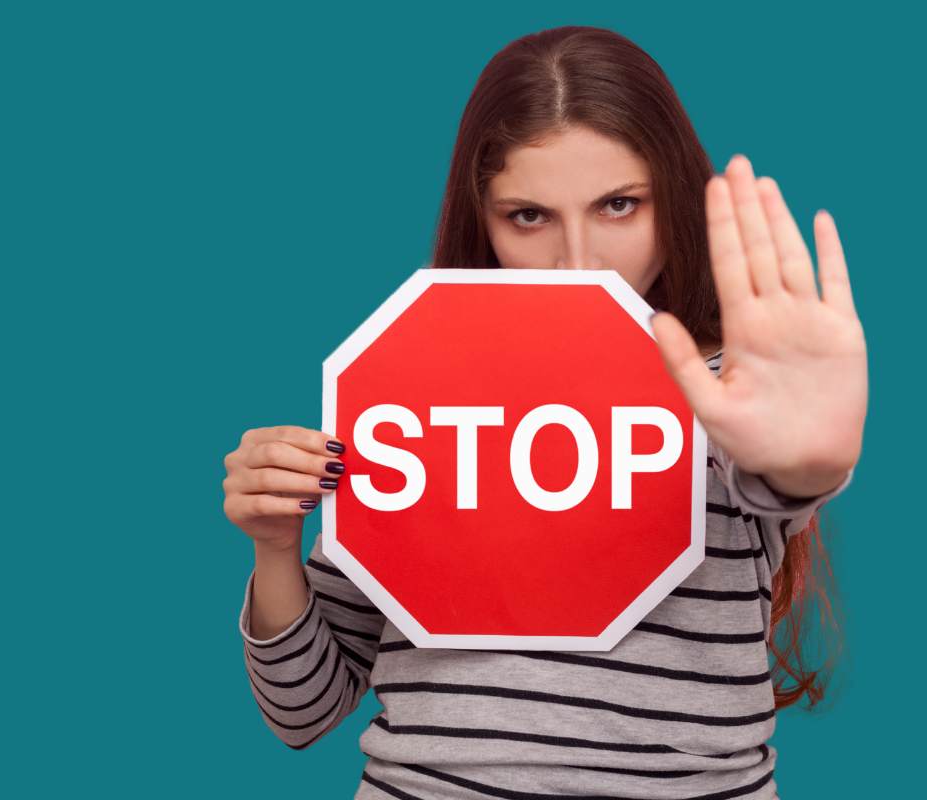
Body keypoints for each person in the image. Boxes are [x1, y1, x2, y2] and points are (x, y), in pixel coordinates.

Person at [224, 26, 867, 800]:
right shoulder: (415, 396)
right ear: (481, 219)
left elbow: (780, 475)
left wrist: (806, 461)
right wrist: (273, 546)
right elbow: (305, 711)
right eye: (529, 216)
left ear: (675, 199)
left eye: (619, 205)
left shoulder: (731, 392)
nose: (579, 263)